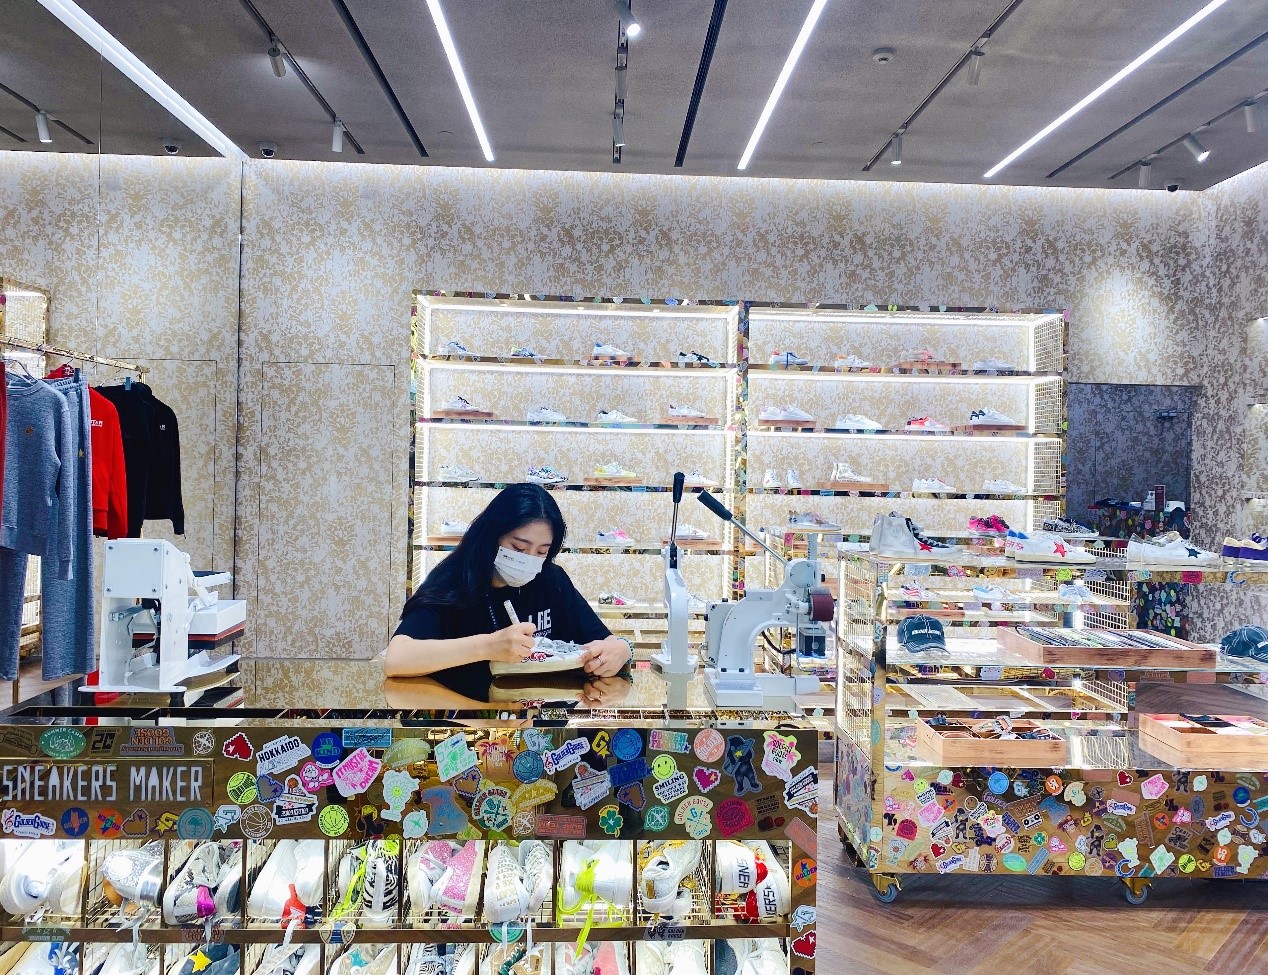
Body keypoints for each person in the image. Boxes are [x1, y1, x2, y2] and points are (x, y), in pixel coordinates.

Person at [384, 484, 633, 696]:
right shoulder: (453, 581)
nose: (530, 559)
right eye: (519, 548)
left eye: (542, 551)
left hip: (541, 721)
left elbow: (606, 641)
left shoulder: (551, 579)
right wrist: (488, 646)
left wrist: (622, 649)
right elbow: (397, 659)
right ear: (492, 537)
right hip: (472, 720)